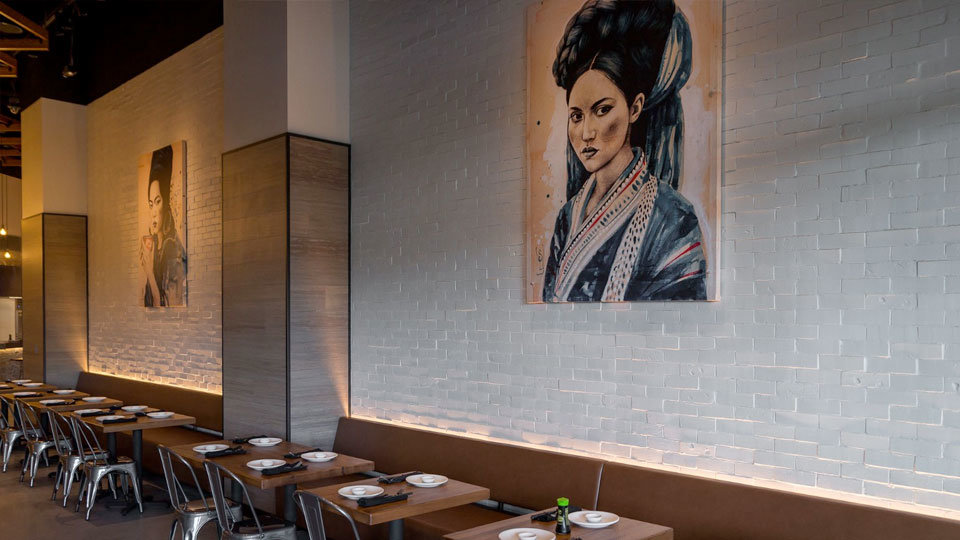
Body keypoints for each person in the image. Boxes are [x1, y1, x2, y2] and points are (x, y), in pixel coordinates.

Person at [542, 0, 707, 302]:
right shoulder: (568, 217)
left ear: (635, 108)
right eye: (576, 116)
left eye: (602, 110)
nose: (586, 133)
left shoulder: (674, 219)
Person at [140, 145, 186, 307]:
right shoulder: (155, 247)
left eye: (158, 202)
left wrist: (150, 273)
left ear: (166, 203)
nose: (153, 211)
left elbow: (165, 305)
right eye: (150, 203)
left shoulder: (173, 250)